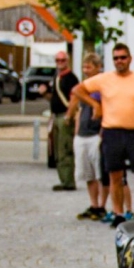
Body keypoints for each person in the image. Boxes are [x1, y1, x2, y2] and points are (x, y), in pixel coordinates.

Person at [73, 42, 134, 223]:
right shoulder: (104, 79)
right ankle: (118, 213)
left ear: (130, 59)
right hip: (112, 132)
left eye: (123, 57)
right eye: (116, 58)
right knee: (115, 175)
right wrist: (95, 105)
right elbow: (77, 90)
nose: (119, 61)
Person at [69, 53, 107, 220]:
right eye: (84, 67)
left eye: (89, 67)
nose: (86, 70)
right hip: (82, 134)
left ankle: (102, 206)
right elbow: (79, 110)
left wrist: (102, 132)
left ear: (98, 68)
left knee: (100, 173)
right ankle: (93, 204)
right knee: (88, 174)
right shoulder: (83, 87)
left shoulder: (102, 87)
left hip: (96, 133)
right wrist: (76, 131)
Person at [48, 51, 80, 191]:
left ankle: (68, 181)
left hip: (65, 116)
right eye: (58, 60)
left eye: (63, 60)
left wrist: (69, 115)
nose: (60, 62)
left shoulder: (71, 78)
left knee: (65, 149)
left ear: (68, 61)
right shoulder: (57, 76)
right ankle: (63, 180)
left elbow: (74, 98)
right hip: (56, 115)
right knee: (57, 150)